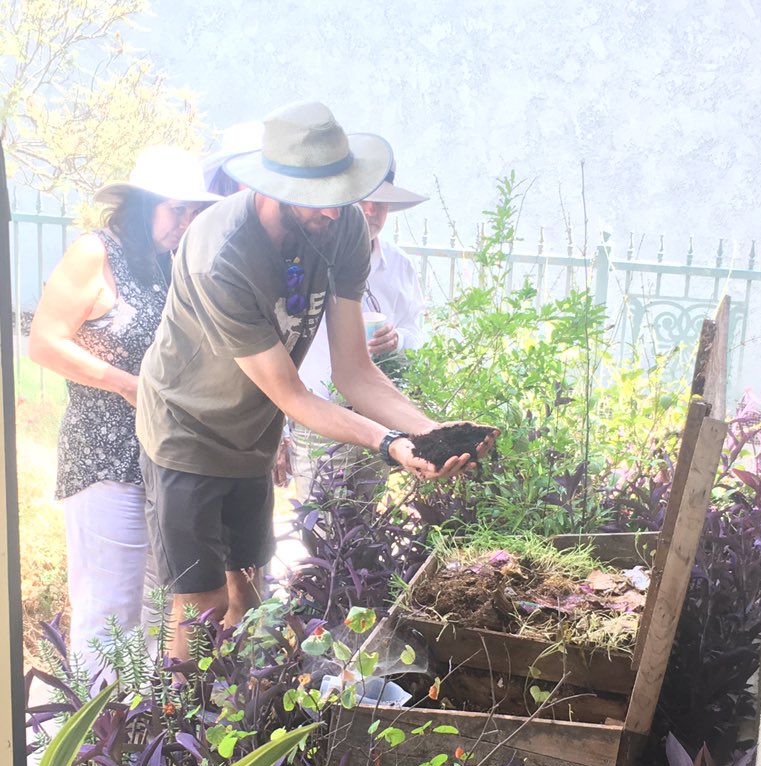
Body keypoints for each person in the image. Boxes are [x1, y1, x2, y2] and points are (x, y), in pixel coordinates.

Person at [135, 101, 496, 660]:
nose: (335, 213)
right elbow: (292, 393)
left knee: (249, 592)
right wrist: (388, 444)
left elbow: (355, 371)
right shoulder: (220, 254)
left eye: (341, 193)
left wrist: (430, 431)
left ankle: (233, 711)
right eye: (318, 198)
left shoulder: (344, 226)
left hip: (250, 438)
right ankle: (181, 731)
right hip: (187, 433)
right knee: (201, 604)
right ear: (275, 185)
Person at [28, 145, 220, 676]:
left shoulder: (167, 262)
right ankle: (92, 752)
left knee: (164, 609)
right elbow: (43, 343)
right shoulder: (95, 252)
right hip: (103, 458)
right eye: (175, 209)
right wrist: (127, 385)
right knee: (109, 614)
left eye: (192, 211)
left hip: (163, 459)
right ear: (140, 205)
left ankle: (144, 748)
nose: (185, 221)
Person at [290, 159, 428, 500]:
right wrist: (280, 432)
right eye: (363, 199)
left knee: (367, 527)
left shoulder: (400, 266)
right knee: (318, 530)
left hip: (377, 417)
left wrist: (396, 341)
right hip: (316, 417)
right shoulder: (308, 258)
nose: (371, 210)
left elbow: (417, 334)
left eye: (381, 202)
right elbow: (280, 348)